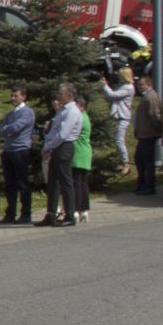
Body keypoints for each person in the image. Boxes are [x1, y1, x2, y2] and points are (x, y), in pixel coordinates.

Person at [42, 85, 83, 228]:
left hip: (64, 146)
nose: (58, 96)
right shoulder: (62, 110)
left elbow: (63, 134)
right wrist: (47, 146)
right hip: (56, 147)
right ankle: (51, 214)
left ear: (70, 95)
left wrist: (49, 146)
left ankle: (70, 215)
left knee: (66, 181)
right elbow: (54, 130)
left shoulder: (72, 111)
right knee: (53, 182)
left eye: (61, 94)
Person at [0, 85, 37, 225]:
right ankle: (10, 213)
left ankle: (26, 214)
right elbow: (1, 130)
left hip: (20, 150)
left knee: (22, 183)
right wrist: (7, 129)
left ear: (23, 96)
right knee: (10, 184)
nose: (13, 98)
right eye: (12, 96)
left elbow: (16, 127)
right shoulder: (10, 113)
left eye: (16, 96)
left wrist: (7, 128)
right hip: (8, 150)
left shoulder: (27, 112)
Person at [133, 69, 163, 197]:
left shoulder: (150, 96)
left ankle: (149, 186)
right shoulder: (145, 96)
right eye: (138, 85)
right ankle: (141, 184)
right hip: (143, 134)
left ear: (149, 84)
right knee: (139, 160)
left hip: (148, 134)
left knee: (147, 161)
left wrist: (157, 129)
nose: (139, 87)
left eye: (142, 84)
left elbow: (155, 115)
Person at [103, 63, 136, 170]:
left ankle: (126, 163)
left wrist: (104, 85)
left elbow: (113, 95)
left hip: (123, 116)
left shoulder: (128, 88)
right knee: (117, 140)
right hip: (118, 115)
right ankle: (121, 161)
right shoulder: (122, 86)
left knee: (119, 140)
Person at [71, 89, 95, 224]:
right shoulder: (85, 116)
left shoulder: (80, 118)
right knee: (82, 182)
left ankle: (76, 208)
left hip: (78, 153)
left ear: (82, 106)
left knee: (76, 182)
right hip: (84, 152)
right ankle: (84, 209)